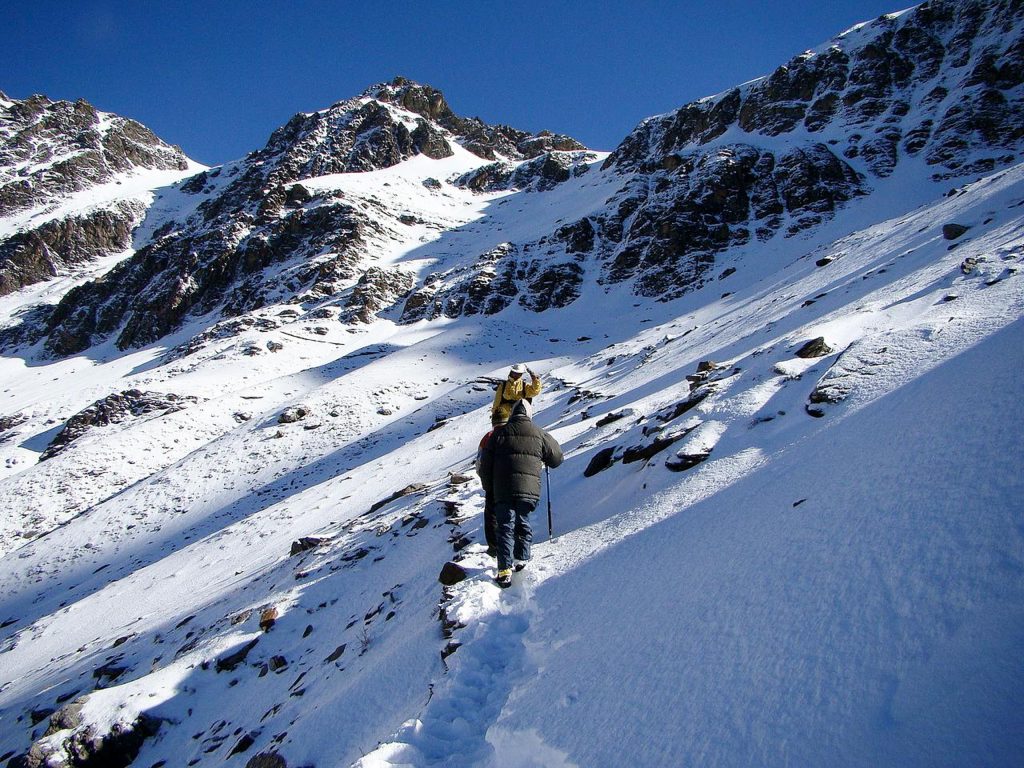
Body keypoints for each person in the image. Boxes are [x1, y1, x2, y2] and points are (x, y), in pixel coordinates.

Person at [479, 399, 563, 588]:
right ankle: (521, 558)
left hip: (503, 489)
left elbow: (485, 465)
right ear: (529, 414)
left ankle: (504, 571)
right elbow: (557, 458)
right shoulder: (539, 432)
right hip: (528, 488)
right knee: (523, 521)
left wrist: (489, 487)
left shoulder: (499, 433)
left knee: (505, 527)